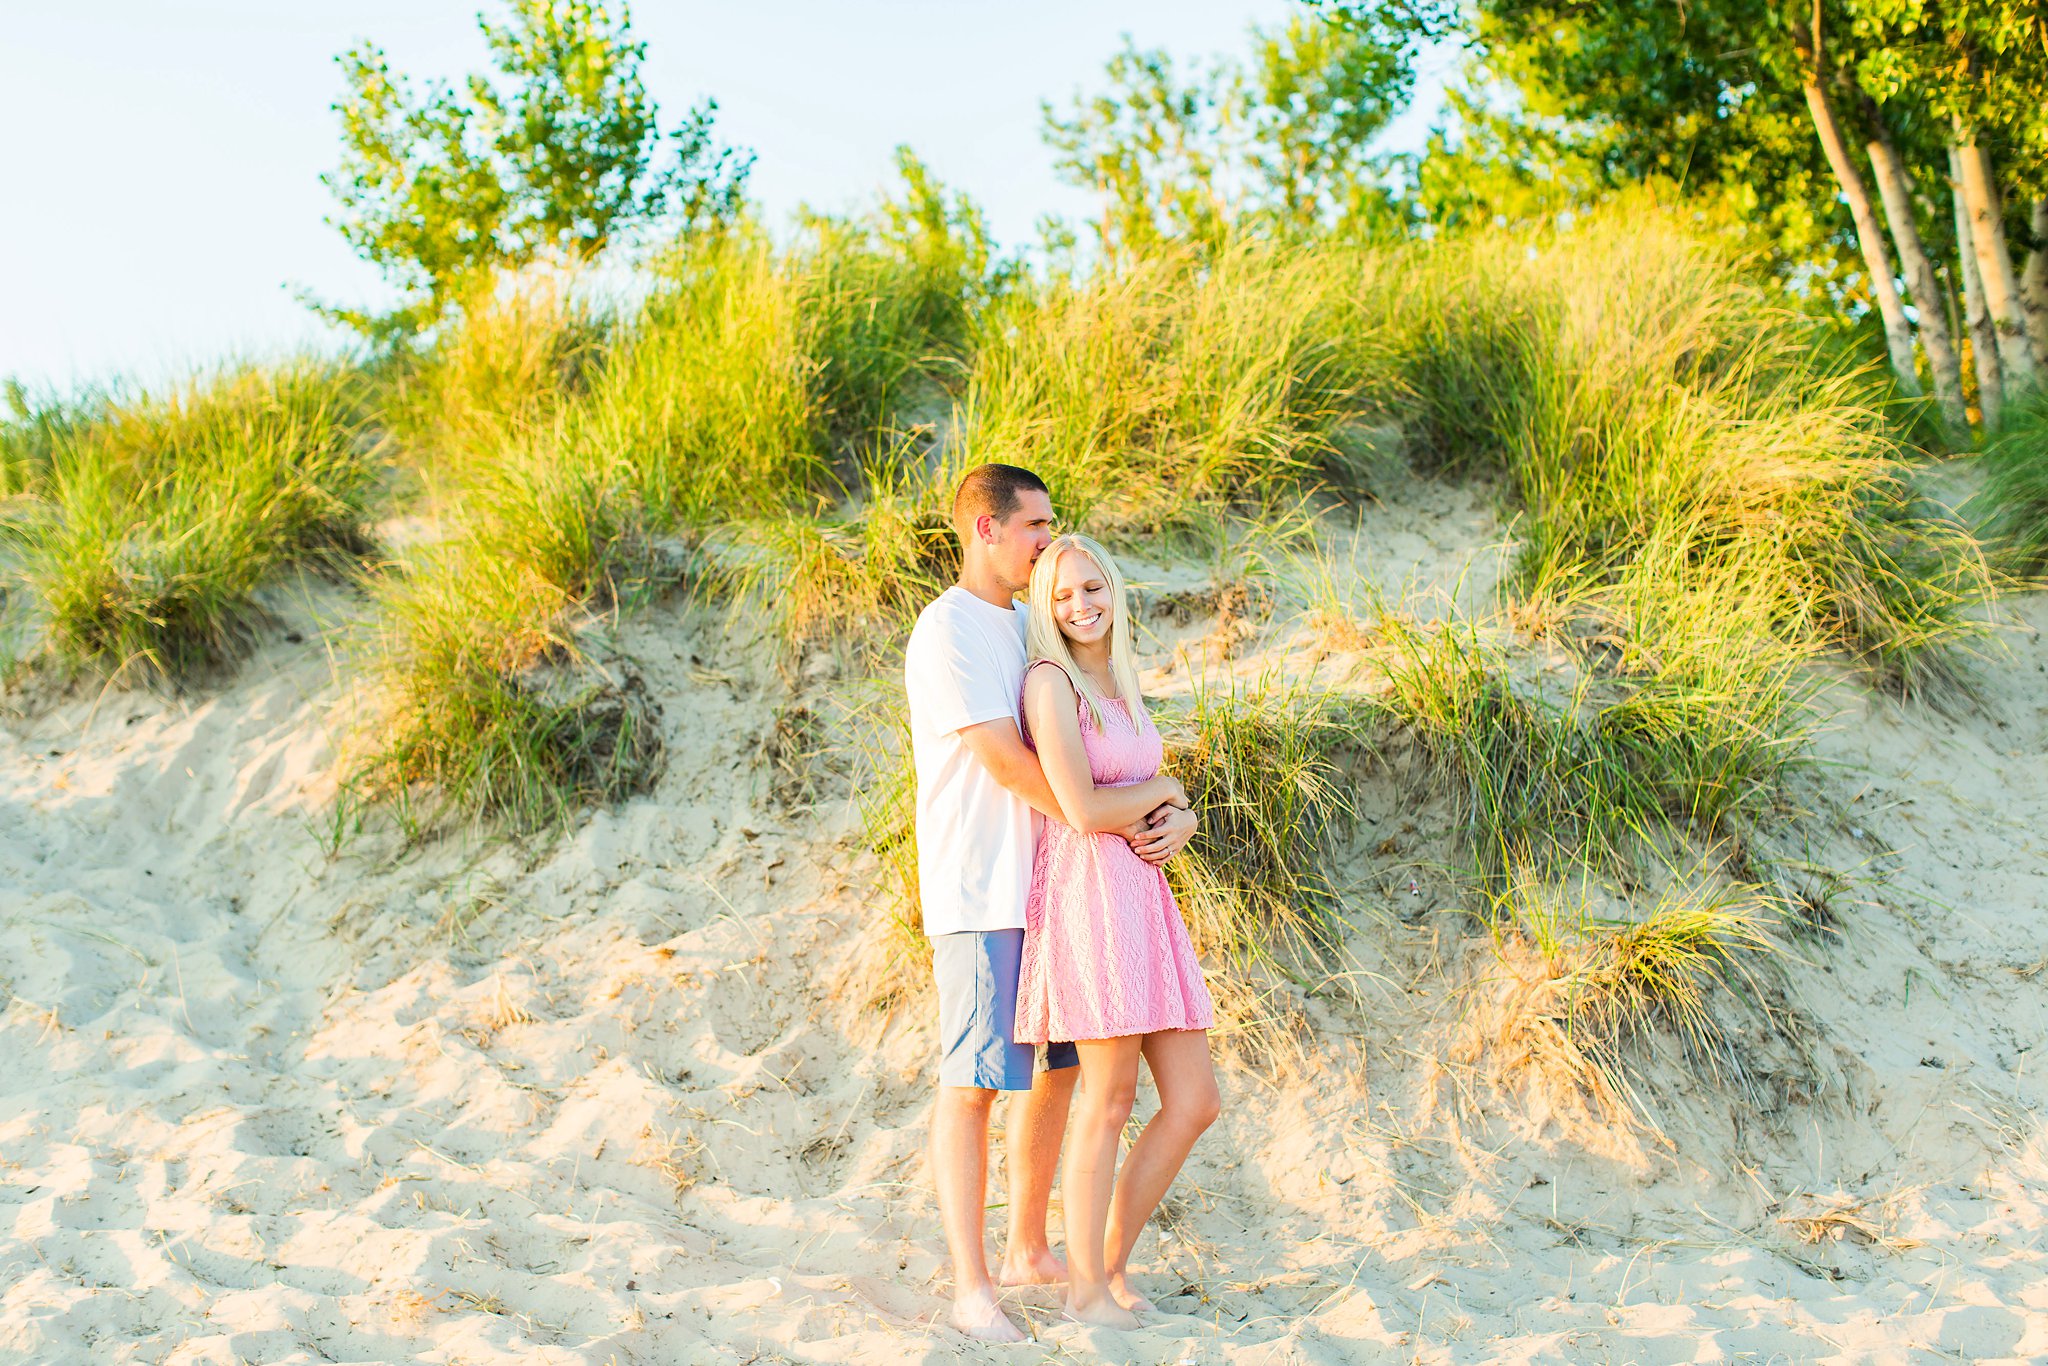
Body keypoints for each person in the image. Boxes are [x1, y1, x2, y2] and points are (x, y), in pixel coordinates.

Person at [903, 465, 1198, 1342]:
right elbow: (1003, 761)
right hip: (981, 884)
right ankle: (970, 1286)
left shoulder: (1030, 627)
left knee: (1061, 1074)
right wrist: (1110, 816)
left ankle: (1032, 1249)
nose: (1046, 539)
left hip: (1057, 891)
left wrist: (1158, 805)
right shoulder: (950, 628)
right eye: (1034, 526)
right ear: (986, 531)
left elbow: (1104, 743)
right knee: (975, 1083)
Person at [1015, 533, 1220, 1331]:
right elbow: (1085, 809)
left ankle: (1108, 1263)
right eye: (1063, 596)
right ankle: (1086, 1290)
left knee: (1194, 1100)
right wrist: (1167, 785)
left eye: (1091, 588)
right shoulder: (1051, 683)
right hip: (1091, 894)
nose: (1081, 606)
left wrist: (1185, 816)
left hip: (1145, 896)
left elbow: (1140, 795)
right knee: (1108, 1099)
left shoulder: (1120, 678)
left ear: (1113, 589)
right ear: (1045, 607)